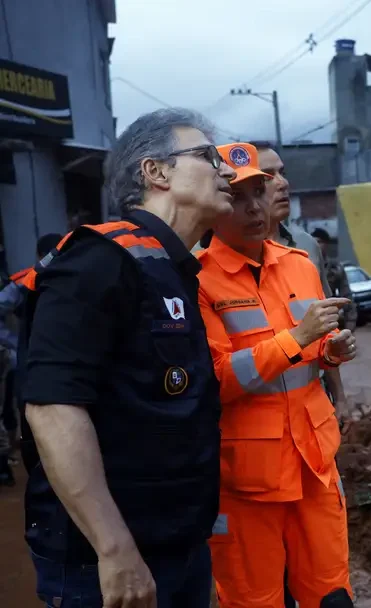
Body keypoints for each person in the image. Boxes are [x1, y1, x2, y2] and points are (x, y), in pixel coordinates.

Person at [19, 108, 236, 608]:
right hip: (107, 561)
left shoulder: (171, 268)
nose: (226, 170)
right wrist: (113, 548)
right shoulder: (98, 261)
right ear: (155, 172)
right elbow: (53, 408)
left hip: (176, 546)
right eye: (208, 157)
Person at [197, 142, 357, 608]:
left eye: (258, 193)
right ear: (213, 205)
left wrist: (330, 352)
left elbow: (312, 354)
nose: (253, 208)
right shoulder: (197, 281)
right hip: (247, 482)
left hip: (314, 468)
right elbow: (216, 381)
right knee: (255, 601)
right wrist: (298, 338)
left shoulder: (299, 265)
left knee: (332, 597)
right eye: (237, 197)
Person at [247, 140, 352, 415]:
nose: (282, 184)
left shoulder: (306, 247)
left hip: (311, 412)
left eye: (282, 173)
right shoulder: (206, 258)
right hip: (255, 417)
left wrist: (340, 398)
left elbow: (325, 330)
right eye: (267, 176)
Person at [0, 233, 62, 488]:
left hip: (33, 363)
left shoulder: (26, 278)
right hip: (56, 363)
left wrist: (12, 344)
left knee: (29, 416)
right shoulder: (78, 275)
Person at [312, 228, 357, 331]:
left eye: (319, 242)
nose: (316, 245)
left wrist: (350, 323)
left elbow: (346, 295)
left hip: (329, 319)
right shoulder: (304, 265)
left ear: (326, 244)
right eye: (313, 242)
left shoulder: (335, 268)